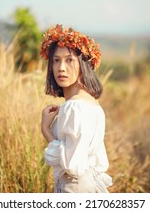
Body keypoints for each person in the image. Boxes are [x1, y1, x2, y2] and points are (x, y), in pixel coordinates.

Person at [40, 24, 112, 193]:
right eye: (56, 60)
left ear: (83, 65)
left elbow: (72, 165)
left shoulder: (74, 106)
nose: (61, 68)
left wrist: (45, 129)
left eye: (69, 60)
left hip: (75, 190)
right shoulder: (92, 104)